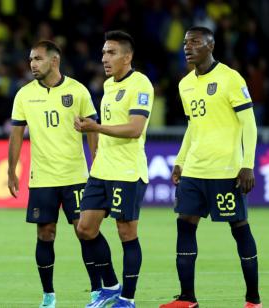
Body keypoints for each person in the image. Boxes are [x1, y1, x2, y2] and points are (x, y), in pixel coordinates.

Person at [160, 26, 262, 308]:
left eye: (194, 42)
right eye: (185, 42)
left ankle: (253, 299)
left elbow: (249, 124)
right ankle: (187, 298)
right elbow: (193, 126)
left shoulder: (230, 78)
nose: (187, 47)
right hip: (194, 171)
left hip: (225, 171)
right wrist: (180, 161)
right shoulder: (185, 84)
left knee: (239, 229)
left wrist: (247, 165)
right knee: (184, 227)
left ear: (210, 46)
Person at [7, 40, 101, 308]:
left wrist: (97, 165)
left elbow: (92, 129)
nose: (32, 64)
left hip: (76, 176)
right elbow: (16, 135)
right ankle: (48, 295)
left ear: (54, 60)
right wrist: (11, 170)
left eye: (37, 59)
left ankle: (97, 290)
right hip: (43, 178)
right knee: (45, 234)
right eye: (30, 60)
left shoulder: (78, 90)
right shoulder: (24, 94)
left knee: (85, 232)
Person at [74, 30, 154, 308]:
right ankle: (110, 285)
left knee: (126, 232)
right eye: (104, 53)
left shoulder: (141, 84)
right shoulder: (109, 85)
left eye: (111, 53)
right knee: (84, 228)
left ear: (127, 57)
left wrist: (95, 127)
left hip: (128, 172)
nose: (104, 58)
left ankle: (127, 298)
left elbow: (134, 129)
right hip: (102, 170)